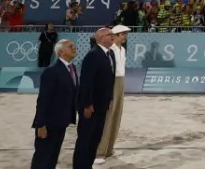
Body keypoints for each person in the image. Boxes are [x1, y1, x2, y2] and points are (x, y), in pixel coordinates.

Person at [30, 39, 77, 169]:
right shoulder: (51, 71)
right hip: (49, 123)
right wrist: (40, 124)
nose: (74, 47)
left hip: (62, 121)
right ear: (61, 52)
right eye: (70, 46)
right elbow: (43, 100)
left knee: (53, 157)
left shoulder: (71, 68)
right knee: (43, 158)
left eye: (74, 45)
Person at [74, 27, 116, 169]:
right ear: (100, 38)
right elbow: (86, 82)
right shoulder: (93, 55)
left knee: (95, 139)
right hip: (90, 107)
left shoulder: (110, 54)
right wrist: (87, 104)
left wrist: (109, 98)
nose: (112, 36)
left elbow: (110, 80)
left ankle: (88, 165)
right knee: (85, 139)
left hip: (102, 105)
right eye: (109, 34)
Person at [95, 25, 130, 164]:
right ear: (114, 36)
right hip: (112, 81)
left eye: (125, 34)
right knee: (108, 115)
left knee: (117, 115)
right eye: (122, 34)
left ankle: (109, 149)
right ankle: (99, 151)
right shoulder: (110, 50)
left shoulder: (123, 50)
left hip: (121, 81)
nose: (125, 37)